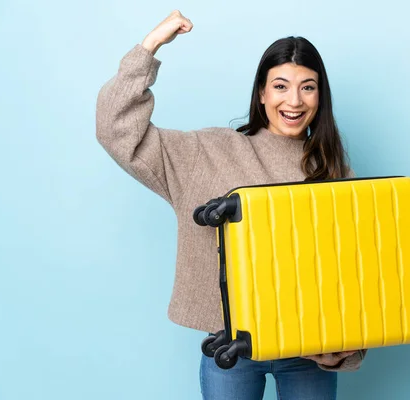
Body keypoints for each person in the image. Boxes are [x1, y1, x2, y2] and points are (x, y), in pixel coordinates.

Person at [96, 9, 367, 399]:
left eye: (308, 87)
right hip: (232, 348)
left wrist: (346, 350)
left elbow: (356, 271)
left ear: (320, 96)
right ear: (261, 92)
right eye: (281, 86)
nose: (294, 100)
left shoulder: (335, 170)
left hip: (311, 348)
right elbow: (115, 130)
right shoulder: (206, 152)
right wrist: (149, 47)